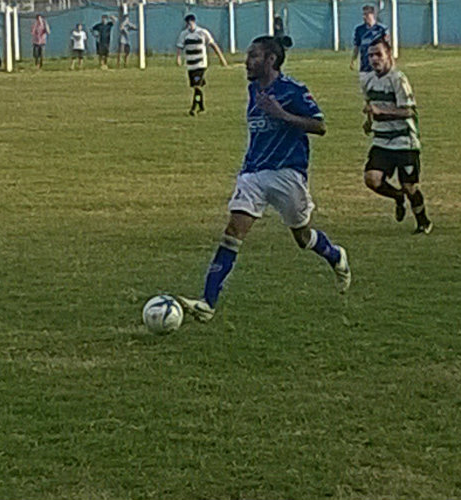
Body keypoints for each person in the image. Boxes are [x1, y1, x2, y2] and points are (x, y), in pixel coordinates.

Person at [176, 36, 350, 323]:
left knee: (303, 237)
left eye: (254, 55)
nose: (247, 61)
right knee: (233, 231)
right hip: (253, 173)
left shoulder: (293, 90)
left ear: (271, 59)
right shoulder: (253, 88)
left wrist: (281, 114)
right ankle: (207, 303)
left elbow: (320, 125)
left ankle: (335, 255)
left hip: (288, 174)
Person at [361, 38, 433, 234]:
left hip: (404, 142)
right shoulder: (367, 80)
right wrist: (369, 122)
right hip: (382, 140)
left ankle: (423, 222)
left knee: (410, 186)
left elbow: (409, 112)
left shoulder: (398, 80)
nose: (374, 59)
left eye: (378, 55)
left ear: (389, 56)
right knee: (371, 179)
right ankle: (397, 197)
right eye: (371, 55)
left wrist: (381, 112)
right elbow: (371, 106)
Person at [175, 14, 228, 116]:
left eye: (191, 22)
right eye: (188, 22)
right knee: (197, 88)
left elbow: (213, 45)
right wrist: (178, 58)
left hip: (201, 64)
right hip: (190, 65)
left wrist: (221, 58)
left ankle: (193, 108)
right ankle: (201, 107)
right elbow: (180, 47)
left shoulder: (202, 33)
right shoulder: (184, 34)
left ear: (194, 22)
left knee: (197, 86)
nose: (190, 25)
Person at [350, 4, 388, 76]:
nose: (364, 17)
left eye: (366, 14)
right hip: (365, 65)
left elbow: (387, 47)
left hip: (379, 65)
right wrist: (353, 60)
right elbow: (357, 46)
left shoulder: (381, 29)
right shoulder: (359, 30)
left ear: (373, 15)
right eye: (363, 14)